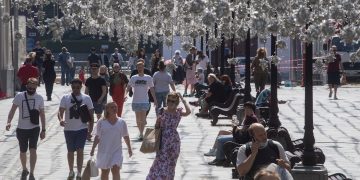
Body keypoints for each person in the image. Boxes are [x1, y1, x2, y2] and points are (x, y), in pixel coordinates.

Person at [6, 78, 46, 180]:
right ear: (26, 86)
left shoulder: (39, 98)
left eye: (33, 88)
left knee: (33, 149)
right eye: (29, 88)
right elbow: (12, 110)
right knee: (22, 151)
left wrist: (43, 129)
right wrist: (9, 122)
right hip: (21, 128)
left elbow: (42, 114)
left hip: (34, 128)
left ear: (36, 87)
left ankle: (32, 172)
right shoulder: (19, 96)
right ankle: (24, 169)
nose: (31, 90)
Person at [146, 92, 191, 180]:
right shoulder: (162, 110)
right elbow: (156, 127)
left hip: (174, 142)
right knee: (160, 161)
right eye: (168, 100)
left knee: (171, 164)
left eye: (173, 101)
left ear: (177, 103)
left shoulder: (179, 111)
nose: (170, 103)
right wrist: (157, 123)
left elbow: (189, 112)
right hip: (163, 140)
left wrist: (183, 99)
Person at [58, 78, 94, 179]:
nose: (75, 89)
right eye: (73, 87)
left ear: (81, 87)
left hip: (82, 129)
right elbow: (60, 111)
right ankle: (71, 171)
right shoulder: (65, 98)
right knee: (70, 151)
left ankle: (79, 172)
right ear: (71, 87)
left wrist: (90, 131)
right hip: (68, 129)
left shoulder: (86, 98)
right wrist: (61, 119)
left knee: (80, 150)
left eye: (78, 87)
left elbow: (91, 116)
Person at [90, 102, 132, 180]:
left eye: (115, 107)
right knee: (105, 172)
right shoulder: (101, 122)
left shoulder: (121, 122)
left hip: (117, 151)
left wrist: (129, 148)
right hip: (104, 151)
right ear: (107, 109)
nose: (114, 109)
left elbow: (125, 136)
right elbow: (97, 137)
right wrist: (93, 149)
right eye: (112, 107)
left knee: (116, 170)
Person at [207, 102, 258, 166]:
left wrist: (236, 127)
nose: (246, 110)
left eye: (248, 109)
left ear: (252, 110)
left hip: (242, 139)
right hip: (240, 137)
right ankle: (218, 158)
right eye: (245, 109)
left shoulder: (252, 118)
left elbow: (244, 131)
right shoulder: (248, 117)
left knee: (220, 139)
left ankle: (220, 159)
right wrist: (236, 128)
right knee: (220, 137)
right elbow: (243, 129)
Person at [126, 61, 158, 141]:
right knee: (138, 119)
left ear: (143, 67)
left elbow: (152, 89)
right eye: (138, 67)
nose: (140, 68)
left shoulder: (148, 78)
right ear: (137, 68)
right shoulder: (134, 78)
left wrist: (155, 100)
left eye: (141, 67)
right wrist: (125, 95)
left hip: (144, 100)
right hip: (136, 100)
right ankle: (140, 132)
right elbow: (128, 87)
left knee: (143, 118)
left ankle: (141, 133)